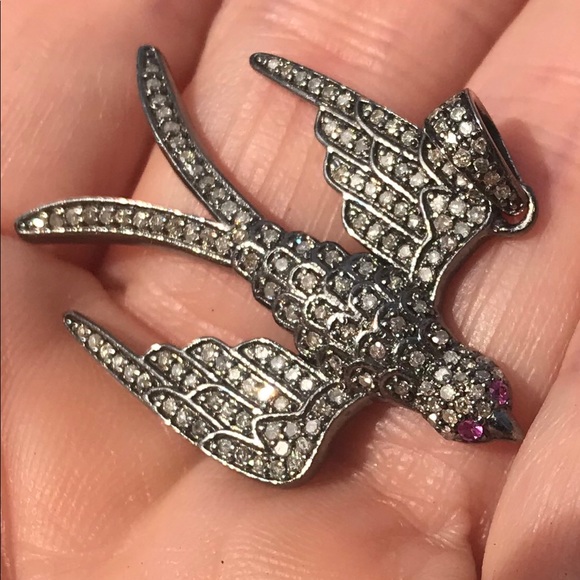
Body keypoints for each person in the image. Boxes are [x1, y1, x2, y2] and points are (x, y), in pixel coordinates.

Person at [2, 1, 579, 578]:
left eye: (473, 421)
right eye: (490, 396)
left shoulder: (301, 421)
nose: (495, 415)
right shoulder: (444, 227)